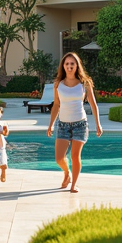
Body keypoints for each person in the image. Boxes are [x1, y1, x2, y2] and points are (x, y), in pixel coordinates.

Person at [46, 52, 103, 193]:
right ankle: (67, 173)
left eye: (72, 64)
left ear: (77, 66)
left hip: (80, 124)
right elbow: (56, 105)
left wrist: (98, 124)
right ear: (63, 66)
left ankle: (74, 185)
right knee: (59, 158)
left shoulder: (85, 83)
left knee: (75, 156)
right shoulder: (58, 84)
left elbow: (93, 104)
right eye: (67, 64)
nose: (70, 66)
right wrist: (51, 124)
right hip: (63, 125)